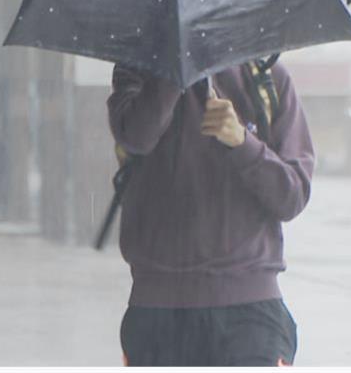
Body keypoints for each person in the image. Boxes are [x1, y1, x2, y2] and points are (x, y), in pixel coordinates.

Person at [107, 60, 315, 367]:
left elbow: (292, 195)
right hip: (158, 312)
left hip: (250, 313)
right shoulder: (136, 70)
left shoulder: (266, 78)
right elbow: (137, 136)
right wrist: (173, 75)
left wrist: (242, 142)